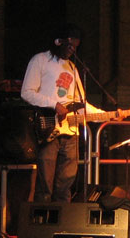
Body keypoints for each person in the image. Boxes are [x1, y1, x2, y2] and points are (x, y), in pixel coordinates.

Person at [20, 24, 117, 202]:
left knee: (65, 185)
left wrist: (110, 114)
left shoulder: (72, 67)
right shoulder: (40, 60)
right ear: (59, 42)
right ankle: (41, 225)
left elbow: (81, 104)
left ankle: (62, 224)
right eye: (70, 45)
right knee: (45, 185)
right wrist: (54, 104)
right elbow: (27, 92)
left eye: (76, 46)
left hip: (71, 133)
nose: (72, 50)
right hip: (47, 129)